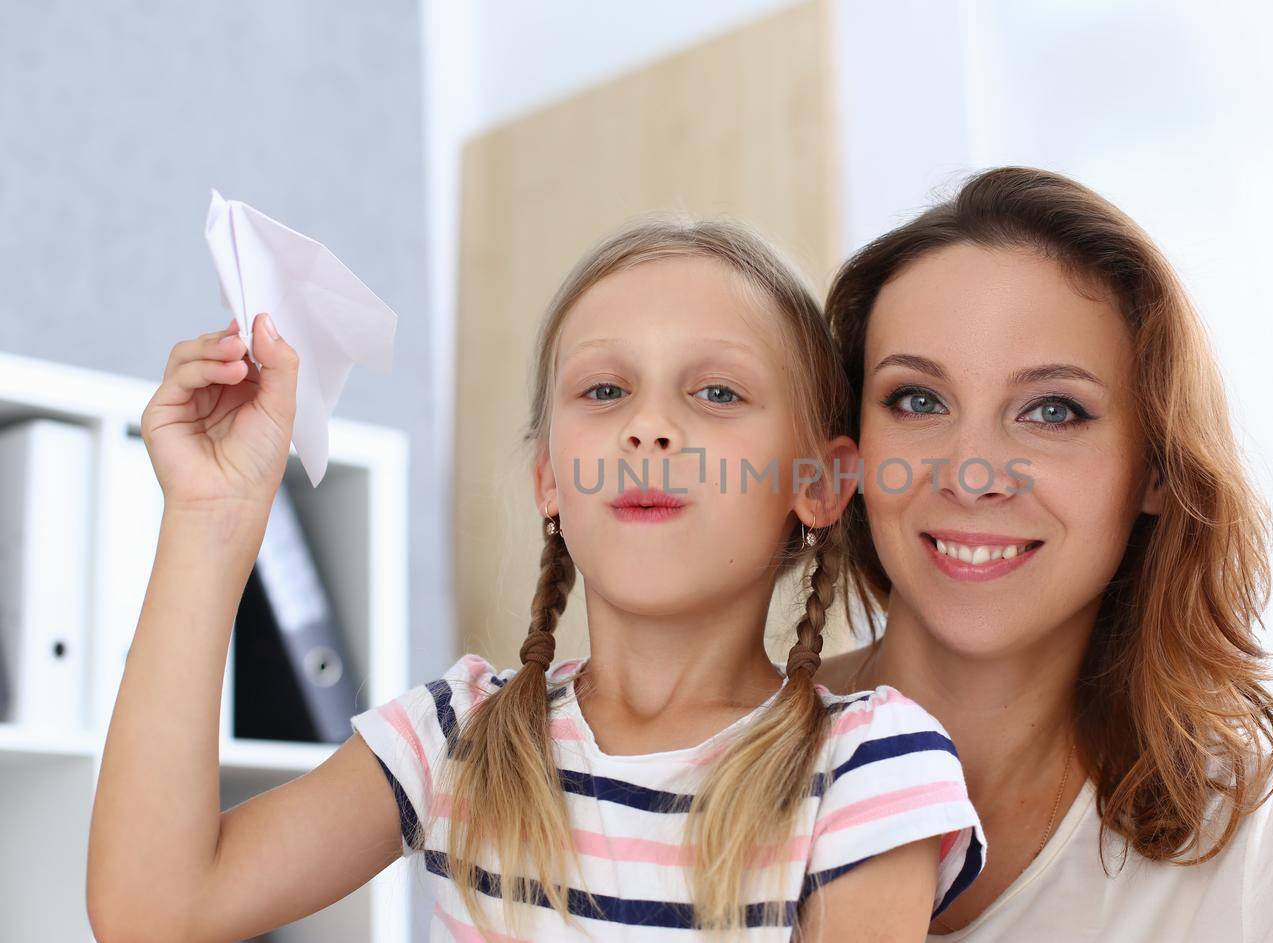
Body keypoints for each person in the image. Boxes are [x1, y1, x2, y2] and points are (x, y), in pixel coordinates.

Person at [88, 218, 985, 942]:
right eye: (604, 391)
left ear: (820, 485)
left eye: (715, 393)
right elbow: (153, 911)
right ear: (552, 478)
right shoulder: (454, 737)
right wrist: (210, 520)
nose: (649, 428)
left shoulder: (867, 767)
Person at [818, 167, 1273, 941]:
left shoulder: (1237, 833)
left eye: (1052, 410)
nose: (970, 473)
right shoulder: (709, 759)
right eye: (918, 400)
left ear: (1154, 468)